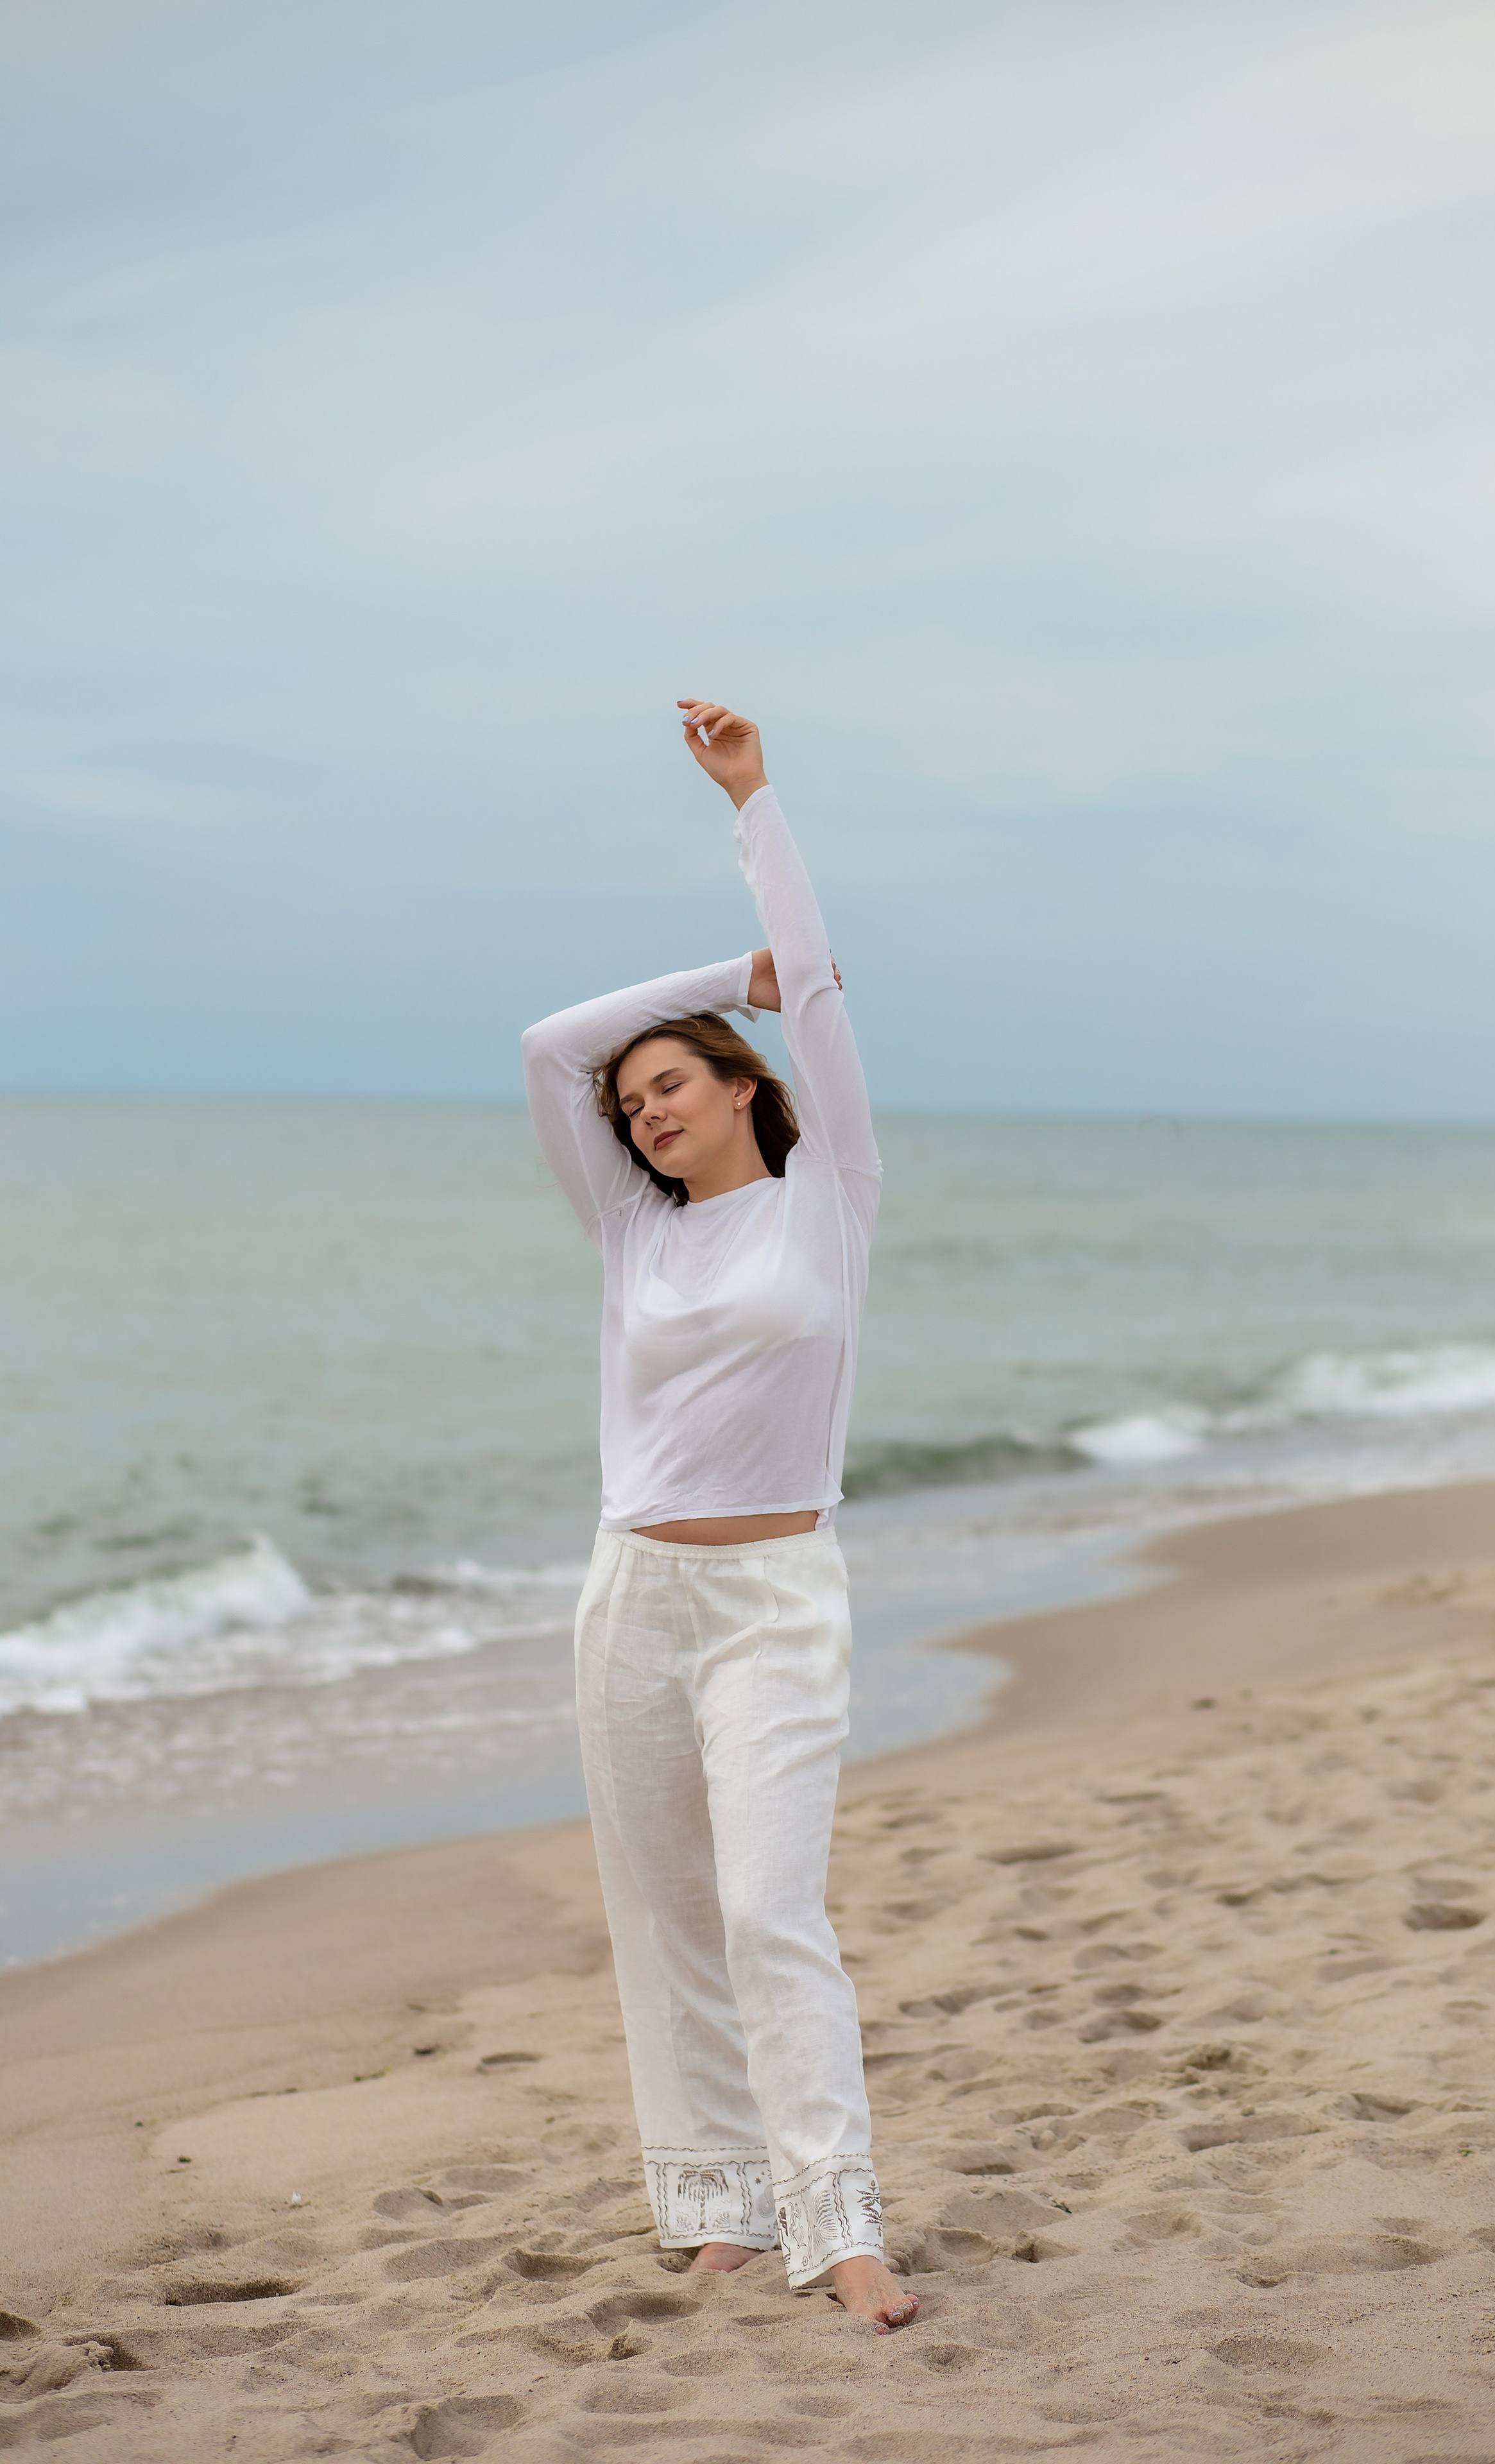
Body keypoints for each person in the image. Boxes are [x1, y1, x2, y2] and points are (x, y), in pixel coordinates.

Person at [520, 701, 916, 2333]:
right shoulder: (633, 1233)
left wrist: (751, 812)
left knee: (766, 1911)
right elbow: (546, 1046)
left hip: (771, 1597)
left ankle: (842, 2224)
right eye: (631, 1107)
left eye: (671, 1083)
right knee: (667, 1916)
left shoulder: (831, 1198)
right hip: (631, 1597)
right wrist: (696, 982)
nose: (642, 1112)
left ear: (744, 1085)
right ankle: (722, 2205)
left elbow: (810, 982)